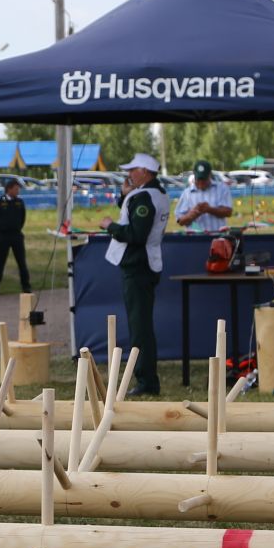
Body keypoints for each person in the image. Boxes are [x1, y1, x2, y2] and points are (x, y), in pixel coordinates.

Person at [103, 153, 169, 397]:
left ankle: (147, 381)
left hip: (137, 265)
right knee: (141, 324)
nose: (129, 174)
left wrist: (110, 226)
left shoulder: (144, 196)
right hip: (146, 263)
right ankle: (146, 377)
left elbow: (136, 233)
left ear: (145, 171)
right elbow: (136, 214)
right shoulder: (156, 194)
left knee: (139, 327)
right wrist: (125, 195)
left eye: (134, 170)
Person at [0, 179, 31, 295]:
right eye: (16, 189)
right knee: (0, 262)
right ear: (9, 189)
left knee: (21, 262)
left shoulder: (19, 202)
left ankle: (26, 286)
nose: (18, 191)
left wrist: (17, 228)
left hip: (16, 235)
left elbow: (22, 218)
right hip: (3, 236)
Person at [175, 159, 234, 233]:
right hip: (194, 239)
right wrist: (193, 214)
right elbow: (180, 221)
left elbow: (228, 212)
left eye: (203, 179)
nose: (201, 182)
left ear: (209, 175)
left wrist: (209, 209)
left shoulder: (222, 189)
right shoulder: (187, 193)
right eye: (198, 179)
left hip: (217, 236)